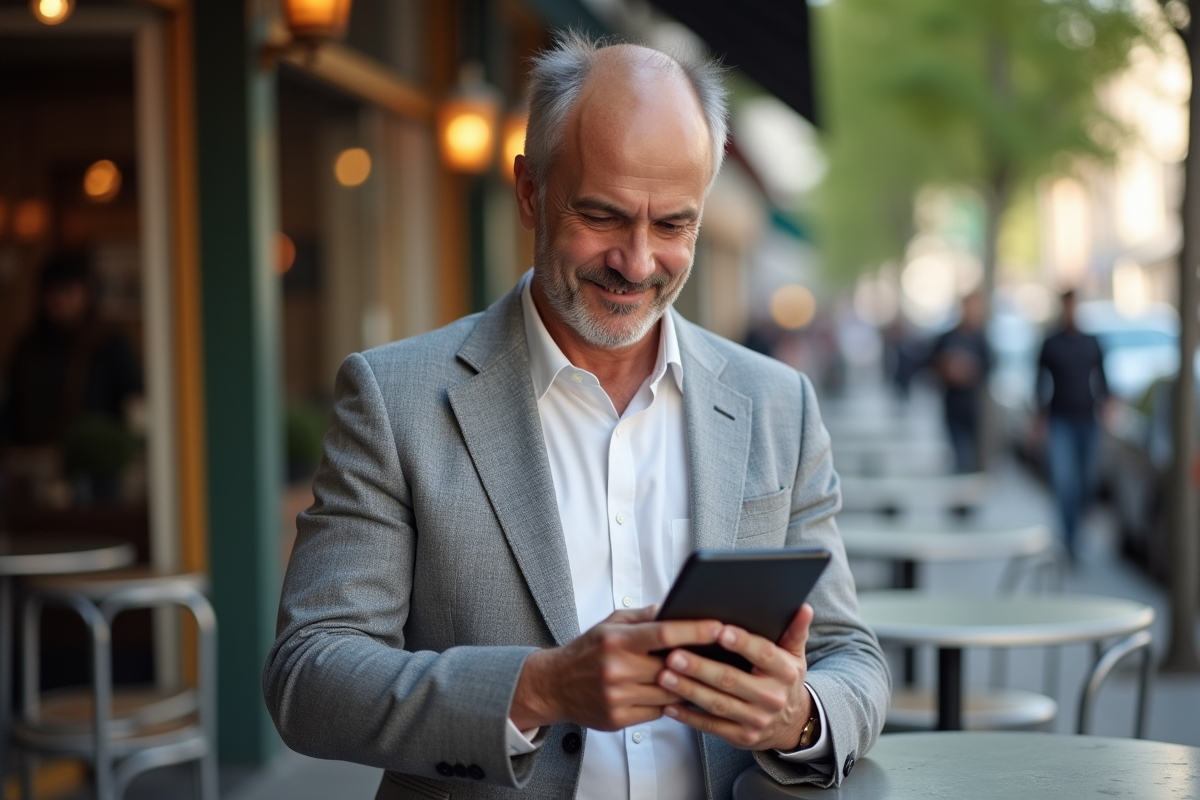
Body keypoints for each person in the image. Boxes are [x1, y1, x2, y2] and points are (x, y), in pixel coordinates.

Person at [264, 33, 888, 799]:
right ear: (530, 191)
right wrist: (539, 688)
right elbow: (308, 676)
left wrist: (797, 715)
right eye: (602, 215)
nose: (636, 262)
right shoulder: (394, 399)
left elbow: (851, 653)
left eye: (673, 227)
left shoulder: (777, 404)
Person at [1036, 290, 1109, 561]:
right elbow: (1039, 382)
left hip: (1087, 420)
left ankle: (1077, 529)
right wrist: (1039, 419)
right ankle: (1069, 540)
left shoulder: (1092, 342)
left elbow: (1103, 378)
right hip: (1060, 421)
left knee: (1086, 483)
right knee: (1065, 482)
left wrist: (1107, 406)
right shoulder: (1051, 343)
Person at [930, 292, 992, 473]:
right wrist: (948, 368)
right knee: (957, 450)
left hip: (972, 405)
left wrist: (968, 370)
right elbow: (931, 363)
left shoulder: (980, 338)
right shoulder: (947, 337)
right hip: (952, 403)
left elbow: (989, 366)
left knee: (972, 450)